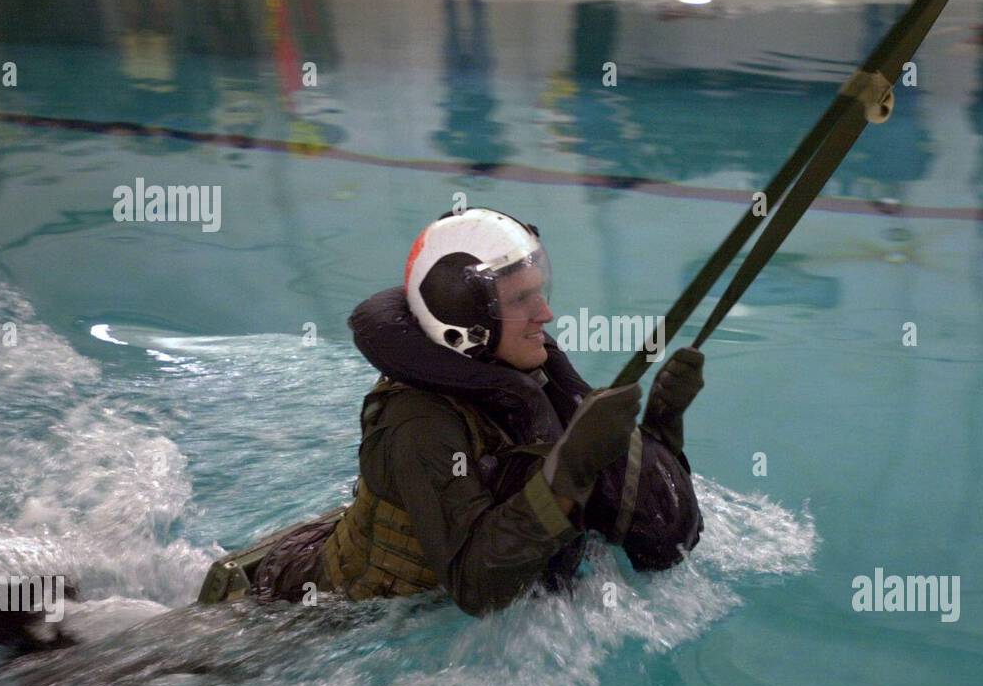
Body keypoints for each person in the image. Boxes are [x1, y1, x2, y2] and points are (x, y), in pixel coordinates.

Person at [243, 207, 706, 615]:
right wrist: (567, 473)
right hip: (295, 622)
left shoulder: (523, 376)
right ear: (466, 324)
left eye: (538, 292)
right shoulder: (418, 424)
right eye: (521, 300)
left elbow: (649, 536)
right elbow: (476, 585)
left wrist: (661, 429)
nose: (545, 313)